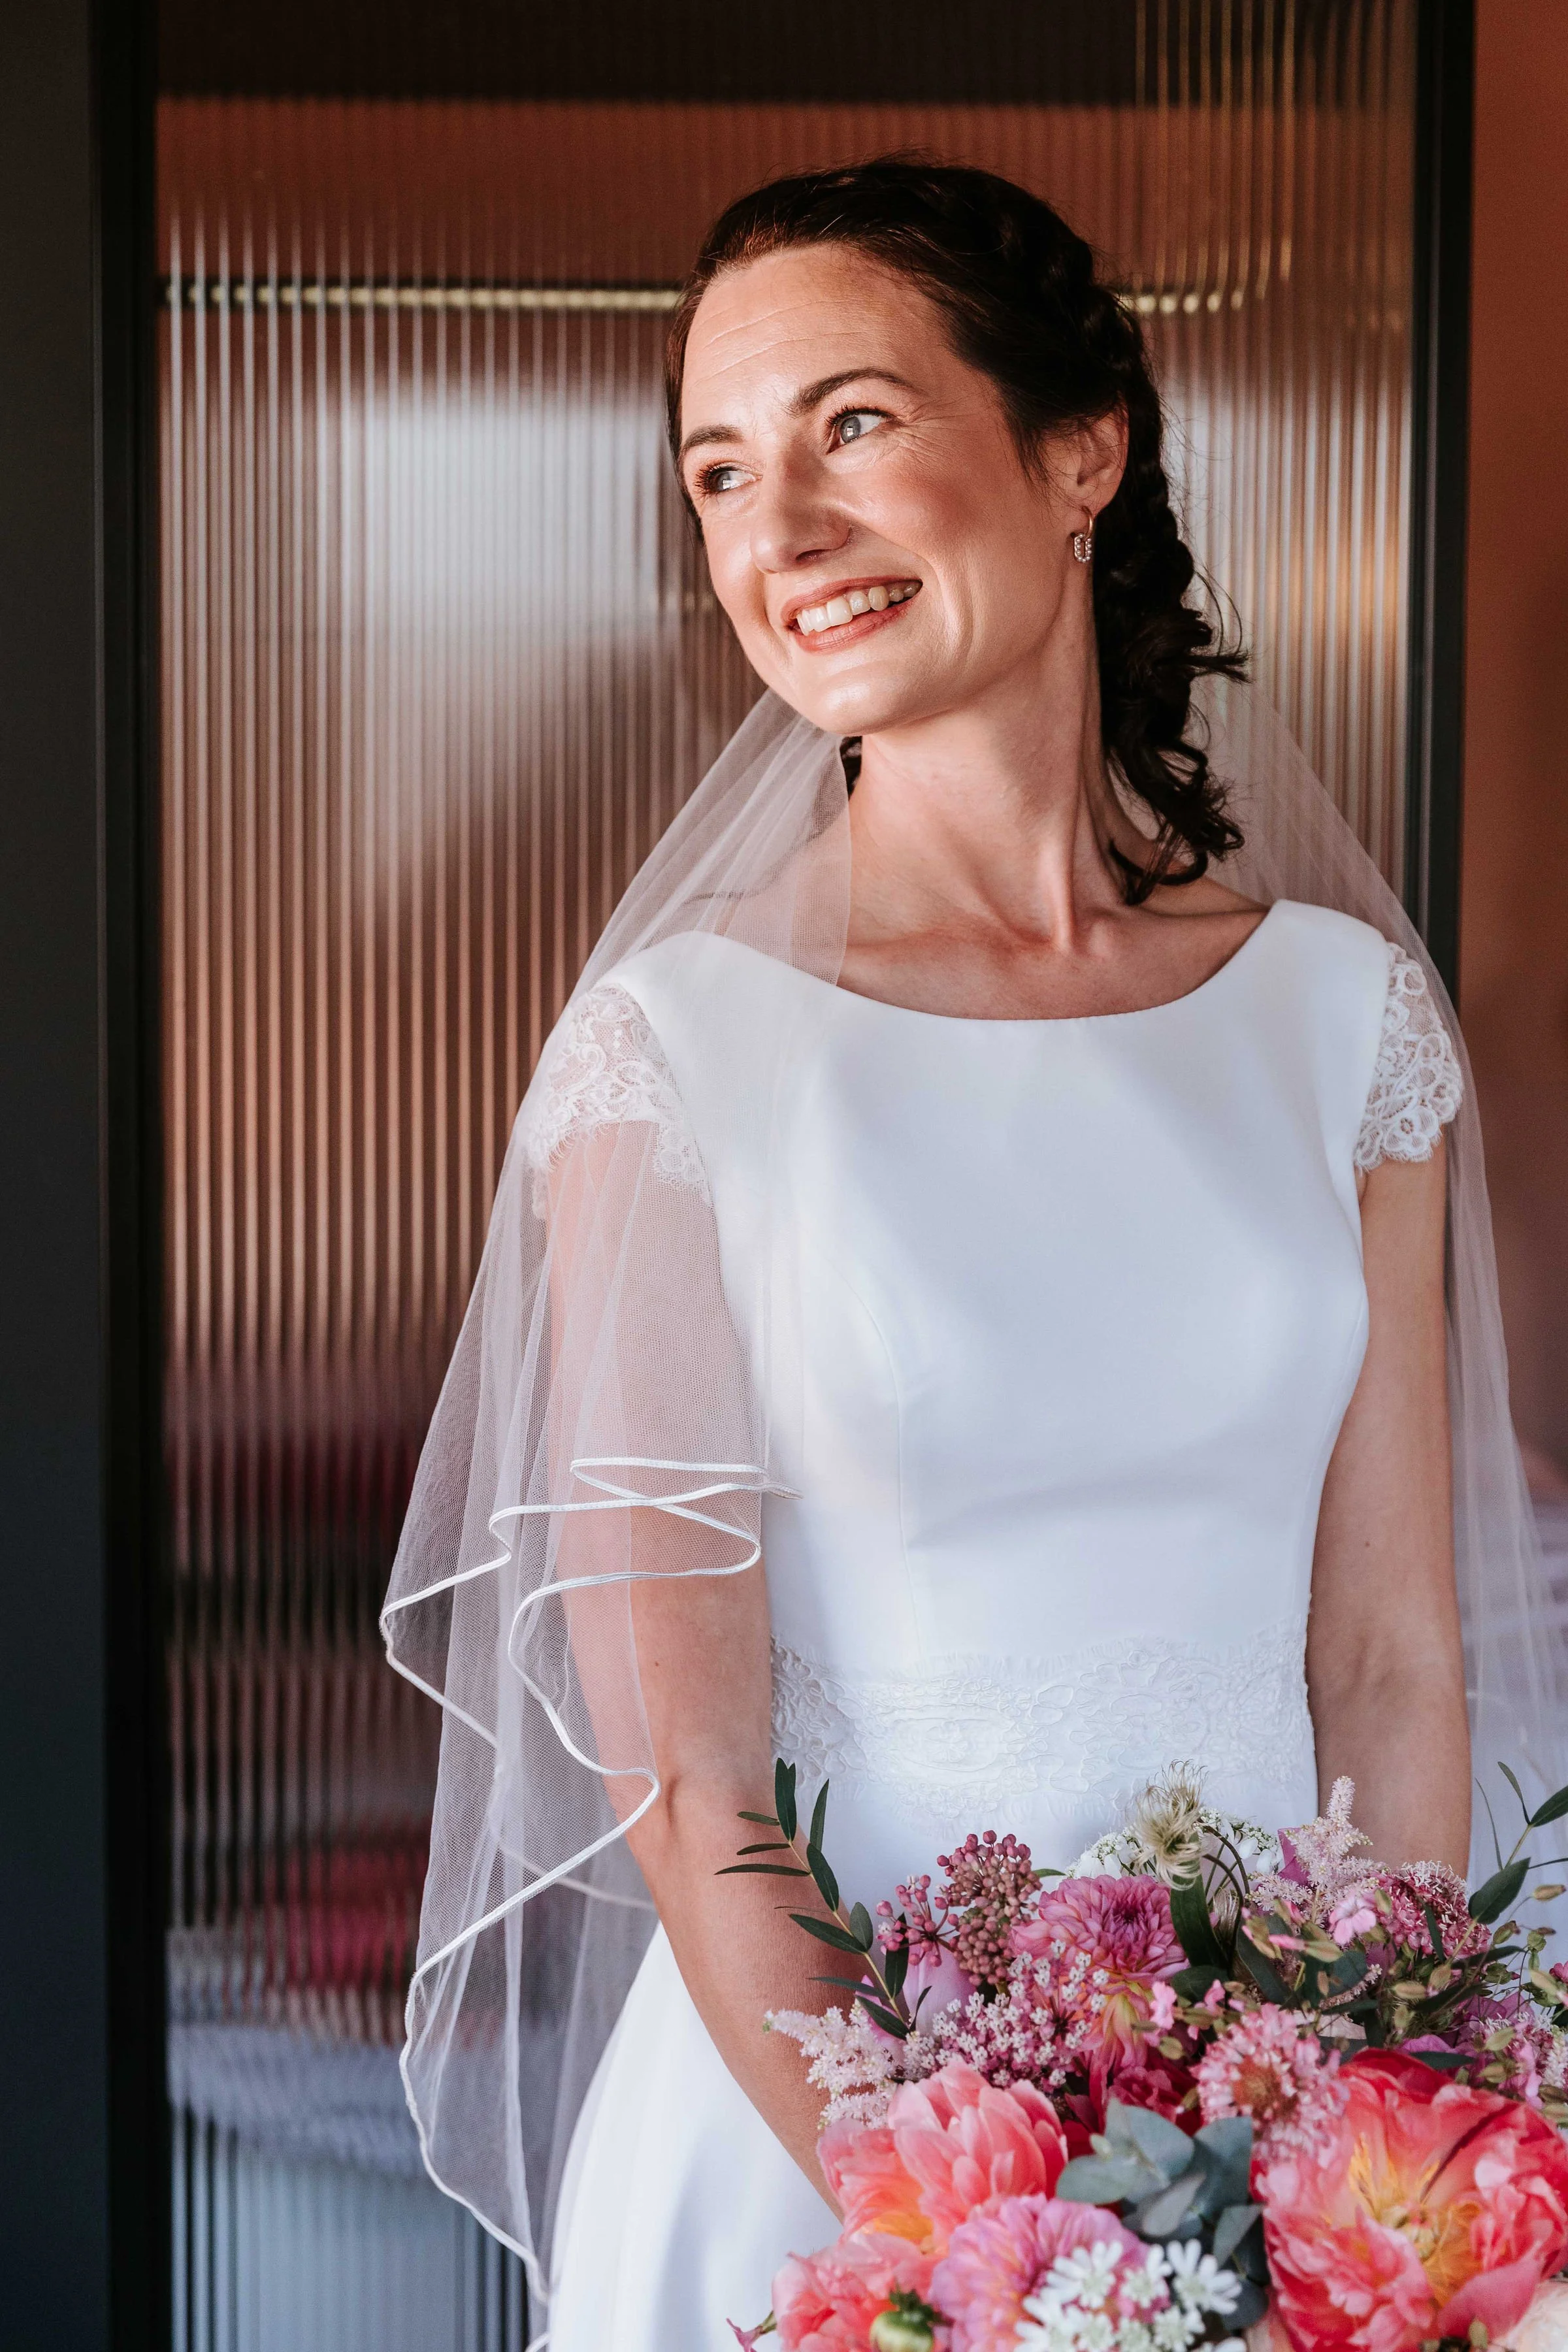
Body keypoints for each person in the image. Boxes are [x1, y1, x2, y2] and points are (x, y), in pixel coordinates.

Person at [382, 163, 1552, 2349]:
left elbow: (1390, 1666)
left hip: (1282, 2139)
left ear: (1080, 447)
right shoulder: (677, 1062)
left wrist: (1370, 2154)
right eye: (720, 471)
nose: (779, 536)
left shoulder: (1343, 1020)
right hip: (828, 2157)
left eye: (849, 427)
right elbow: (692, 1783)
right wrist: (992, 2263)